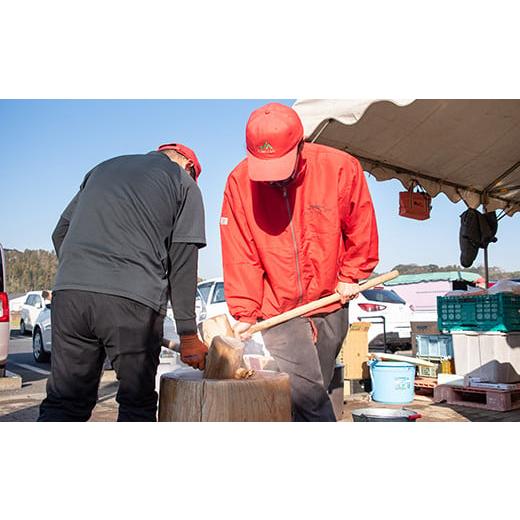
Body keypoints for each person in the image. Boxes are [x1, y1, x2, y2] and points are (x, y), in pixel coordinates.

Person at [220, 103, 379, 421]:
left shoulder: (340, 168)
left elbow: (361, 224)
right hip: (277, 310)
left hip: (331, 299)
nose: (272, 179)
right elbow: (240, 252)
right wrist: (245, 310)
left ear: (300, 145)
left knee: (316, 388)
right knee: (307, 395)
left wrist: (352, 273)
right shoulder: (239, 183)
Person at [38, 143, 208, 422]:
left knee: (64, 402)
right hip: (133, 304)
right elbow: (183, 259)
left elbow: (60, 232)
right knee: (136, 404)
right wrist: (188, 335)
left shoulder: (102, 168)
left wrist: (84, 272)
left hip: (70, 296)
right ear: (188, 166)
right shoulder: (184, 183)